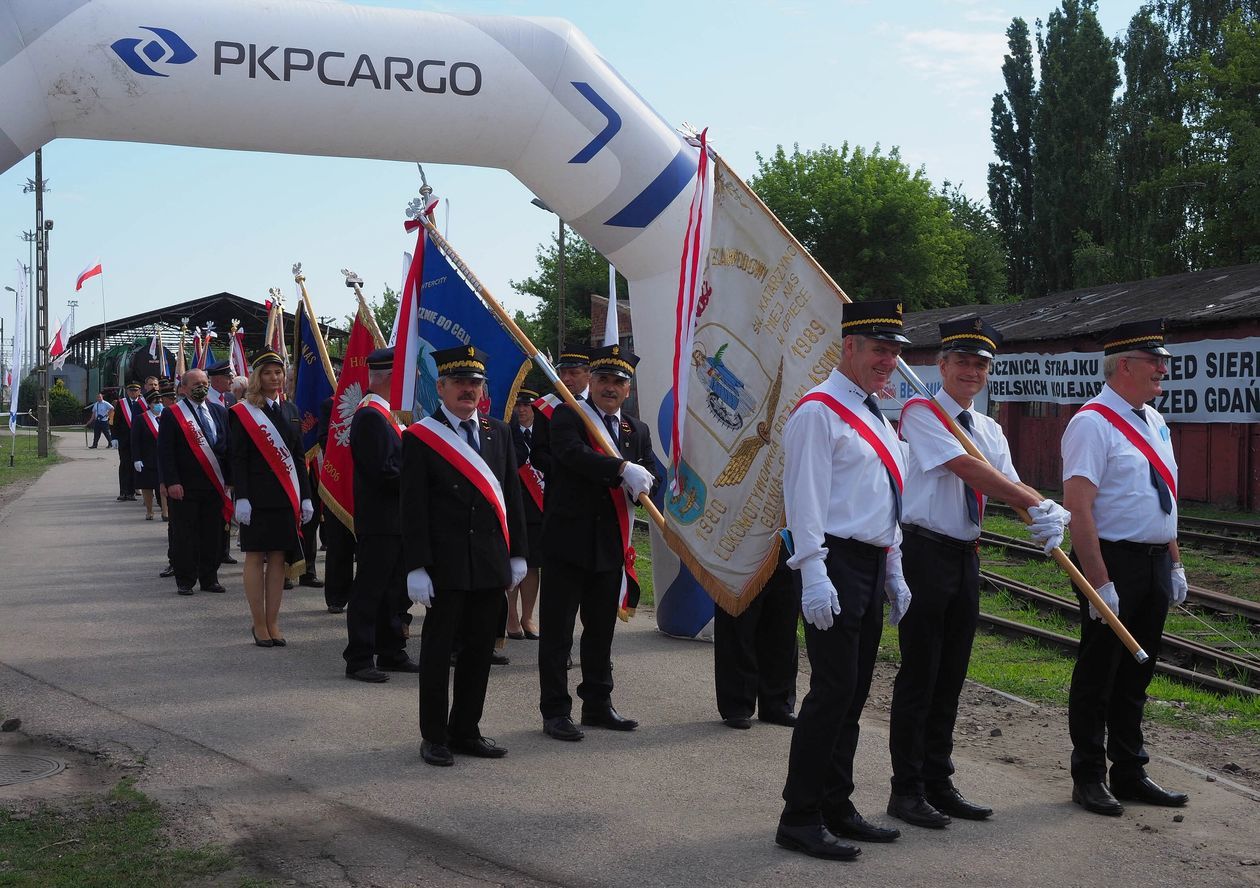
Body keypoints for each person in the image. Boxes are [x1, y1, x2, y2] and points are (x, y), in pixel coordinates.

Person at [887, 317, 1070, 829]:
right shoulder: (921, 412)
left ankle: (939, 781)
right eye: (962, 361)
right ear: (941, 365)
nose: (971, 371)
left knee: (952, 674)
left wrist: (1041, 516)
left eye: (981, 364)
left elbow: (1007, 484)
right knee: (919, 675)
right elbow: (969, 471)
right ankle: (906, 790)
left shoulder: (988, 429)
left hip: (965, 556)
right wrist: (1036, 499)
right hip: (923, 553)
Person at [776, 300, 911, 862]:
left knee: (853, 695)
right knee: (830, 694)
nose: (889, 361)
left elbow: (882, 500)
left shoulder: (875, 411)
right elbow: (802, 499)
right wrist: (812, 572)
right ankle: (799, 816)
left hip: (870, 561)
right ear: (849, 347)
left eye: (895, 352)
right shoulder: (819, 412)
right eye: (879, 349)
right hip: (831, 563)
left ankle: (837, 804)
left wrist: (895, 567)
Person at [1061, 319, 1188, 817]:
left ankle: (1130, 771)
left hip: (1155, 561)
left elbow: (1165, 498)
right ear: (1125, 365)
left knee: (1139, 670)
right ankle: (1089, 775)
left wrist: (1175, 563)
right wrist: (1100, 582)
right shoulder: (1091, 422)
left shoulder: (1153, 420)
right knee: (1099, 672)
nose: (1163, 368)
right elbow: (1079, 508)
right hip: (1113, 560)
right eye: (1154, 361)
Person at [401, 345, 527, 766]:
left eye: (475, 383)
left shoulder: (499, 432)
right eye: (459, 382)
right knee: (438, 653)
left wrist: (518, 554)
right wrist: (416, 565)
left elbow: (511, 496)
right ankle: (434, 736)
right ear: (441, 387)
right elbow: (412, 506)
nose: (467, 390)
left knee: (479, 652)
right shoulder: (421, 437)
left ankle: (466, 729)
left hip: (489, 562)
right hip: (446, 563)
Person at [537, 344, 658, 743]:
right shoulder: (568, 416)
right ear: (591, 381)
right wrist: (621, 468)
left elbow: (651, 470)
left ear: (628, 389)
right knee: (557, 632)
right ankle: (555, 711)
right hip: (567, 542)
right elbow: (571, 456)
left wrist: (649, 481)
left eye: (619, 382)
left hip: (609, 546)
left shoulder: (635, 430)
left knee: (601, 630)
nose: (610, 387)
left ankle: (597, 702)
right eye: (603, 379)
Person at [229, 352, 314, 648]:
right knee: (256, 557)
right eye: (268, 373)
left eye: (279, 372)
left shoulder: (291, 408)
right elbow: (238, 458)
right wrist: (242, 497)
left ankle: (274, 622)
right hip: (256, 498)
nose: (275, 378)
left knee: (278, 558)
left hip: (285, 496)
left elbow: (299, 456)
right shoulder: (244, 411)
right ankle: (259, 623)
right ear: (257, 377)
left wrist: (305, 497)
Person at [343, 347, 418, 682]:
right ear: (391, 377)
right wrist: (421, 479)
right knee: (371, 589)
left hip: (395, 518)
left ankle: (390, 650)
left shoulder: (385, 414)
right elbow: (384, 471)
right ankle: (359, 657)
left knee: (393, 589)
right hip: (380, 519)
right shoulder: (371, 415)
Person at [157, 368, 231, 597]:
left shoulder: (219, 412)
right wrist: (171, 482)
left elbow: (227, 447)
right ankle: (185, 579)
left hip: (214, 485)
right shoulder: (173, 414)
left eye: (204, 382)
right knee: (185, 534)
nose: (202, 387)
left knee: (213, 534)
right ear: (184, 388)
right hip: (185, 486)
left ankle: (210, 577)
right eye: (196, 384)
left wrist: (229, 480)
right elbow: (165, 451)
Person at [713, 547, 799, 731]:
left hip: (786, 546)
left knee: (783, 629)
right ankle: (737, 705)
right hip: (742, 548)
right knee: (737, 626)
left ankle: (777, 704)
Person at [508, 389, 543, 640]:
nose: (522, 409)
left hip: (539, 509)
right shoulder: (506, 432)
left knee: (532, 564)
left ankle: (528, 616)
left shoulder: (546, 433)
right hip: (514, 505)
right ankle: (510, 615)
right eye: (518, 405)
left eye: (527, 405)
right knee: (513, 562)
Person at [318, 392, 355, 613]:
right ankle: (336, 596)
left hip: (369, 481)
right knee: (339, 545)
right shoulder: (330, 404)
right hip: (340, 477)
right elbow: (324, 437)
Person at [130, 389, 164, 520]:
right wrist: (136, 459)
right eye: (156, 402)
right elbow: (135, 440)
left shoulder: (166, 416)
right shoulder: (141, 419)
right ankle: (149, 511)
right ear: (149, 404)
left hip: (162, 459)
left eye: (160, 402)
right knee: (148, 486)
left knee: (163, 487)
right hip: (147, 459)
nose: (159, 404)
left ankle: (165, 511)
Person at [112, 382, 144, 500]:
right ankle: (123, 491)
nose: (133, 393)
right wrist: (114, 437)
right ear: (127, 392)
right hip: (125, 440)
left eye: (136, 390)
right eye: (131, 391)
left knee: (136, 465)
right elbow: (116, 422)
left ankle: (133, 491)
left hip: (139, 440)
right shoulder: (122, 403)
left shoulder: (143, 403)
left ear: (140, 391)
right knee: (125, 465)